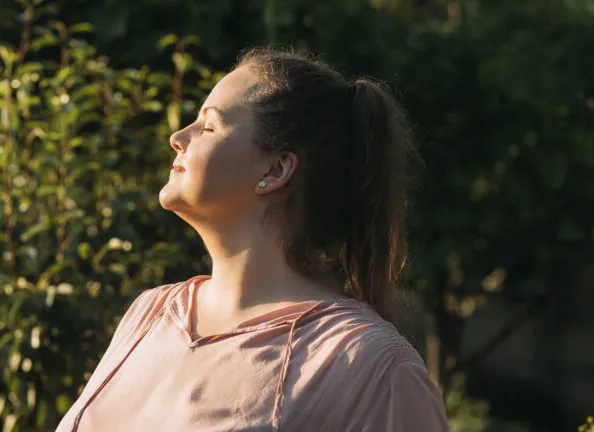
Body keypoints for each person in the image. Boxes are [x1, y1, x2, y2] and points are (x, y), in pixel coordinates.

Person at [56, 47, 449, 432]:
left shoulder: (370, 367)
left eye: (209, 126)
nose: (178, 136)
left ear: (276, 169)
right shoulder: (151, 313)